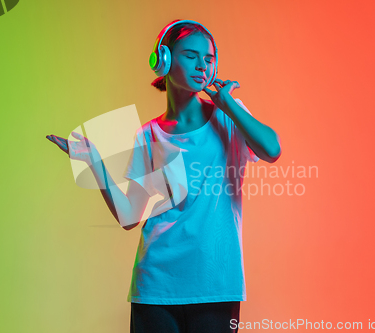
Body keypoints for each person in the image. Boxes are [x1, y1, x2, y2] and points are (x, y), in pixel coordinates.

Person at [46, 19, 281, 333]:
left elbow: (271, 149)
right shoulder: (149, 135)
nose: (203, 65)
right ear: (165, 60)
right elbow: (130, 215)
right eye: (191, 56)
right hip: (155, 286)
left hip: (215, 283)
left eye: (209, 58)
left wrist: (227, 106)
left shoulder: (228, 119)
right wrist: (94, 163)